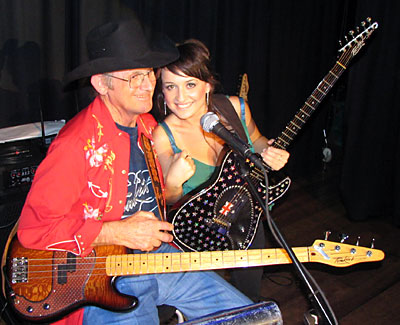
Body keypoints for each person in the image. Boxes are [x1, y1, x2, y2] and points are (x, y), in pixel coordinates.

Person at [17, 20, 252, 325]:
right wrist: (117, 231)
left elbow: (161, 199)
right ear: (102, 84)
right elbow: (34, 230)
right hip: (98, 272)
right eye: (133, 77)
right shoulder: (75, 145)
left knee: (250, 317)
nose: (147, 85)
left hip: (155, 257)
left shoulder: (147, 127)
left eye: (149, 74)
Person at [152, 39, 290, 302]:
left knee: (248, 298)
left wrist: (268, 151)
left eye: (190, 84)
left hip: (243, 212)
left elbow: (256, 139)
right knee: (208, 302)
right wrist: (173, 183)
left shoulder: (236, 108)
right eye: (171, 87)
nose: (180, 98)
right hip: (199, 231)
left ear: (207, 85)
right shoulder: (163, 135)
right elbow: (168, 200)